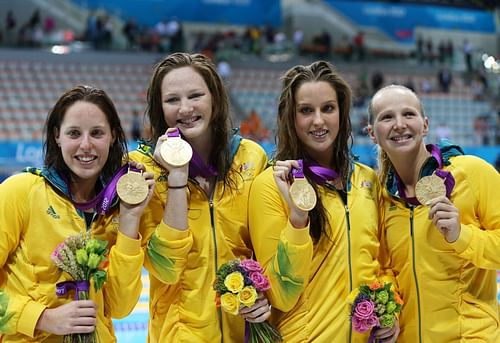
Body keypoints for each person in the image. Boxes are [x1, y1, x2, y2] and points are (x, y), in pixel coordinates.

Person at [248, 61, 398, 342]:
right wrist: (298, 220)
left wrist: (388, 310)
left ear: (342, 113)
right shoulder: (270, 186)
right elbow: (280, 295)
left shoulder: (367, 180)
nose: (318, 121)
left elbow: (382, 263)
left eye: (328, 108)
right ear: (290, 118)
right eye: (306, 111)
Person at [129, 52, 270, 342]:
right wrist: (177, 178)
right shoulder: (141, 170)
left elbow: (266, 249)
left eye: (195, 95)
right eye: (172, 100)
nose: (185, 109)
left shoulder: (251, 158)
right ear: (159, 108)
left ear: (215, 99)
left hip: (245, 331)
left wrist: (268, 297)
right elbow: (166, 269)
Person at [0, 85, 154, 342]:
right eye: (74, 133)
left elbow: (120, 306)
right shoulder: (20, 192)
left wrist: (130, 218)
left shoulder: (115, 209)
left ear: (113, 136)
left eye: (97, 133)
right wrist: (41, 318)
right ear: (57, 136)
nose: (86, 145)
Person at [367, 84, 500, 342]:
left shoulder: (472, 173)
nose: (399, 124)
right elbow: (384, 268)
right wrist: (389, 309)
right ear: (373, 133)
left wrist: (462, 236)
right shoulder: (381, 199)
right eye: (387, 117)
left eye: (408, 114)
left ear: (425, 125)